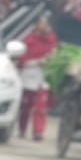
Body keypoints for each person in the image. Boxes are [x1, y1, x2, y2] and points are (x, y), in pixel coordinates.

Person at [17, 14, 58, 142]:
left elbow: (54, 56)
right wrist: (35, 62)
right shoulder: (29, 40)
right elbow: (22, 58)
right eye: (41, 23)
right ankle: (22, 128)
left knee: (40, 106)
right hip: (28, 75)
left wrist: (50, 60)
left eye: (46, 24)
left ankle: (38, 131)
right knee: (25, 105)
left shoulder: (52, 40)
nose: (44, 26)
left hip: (43, 76)